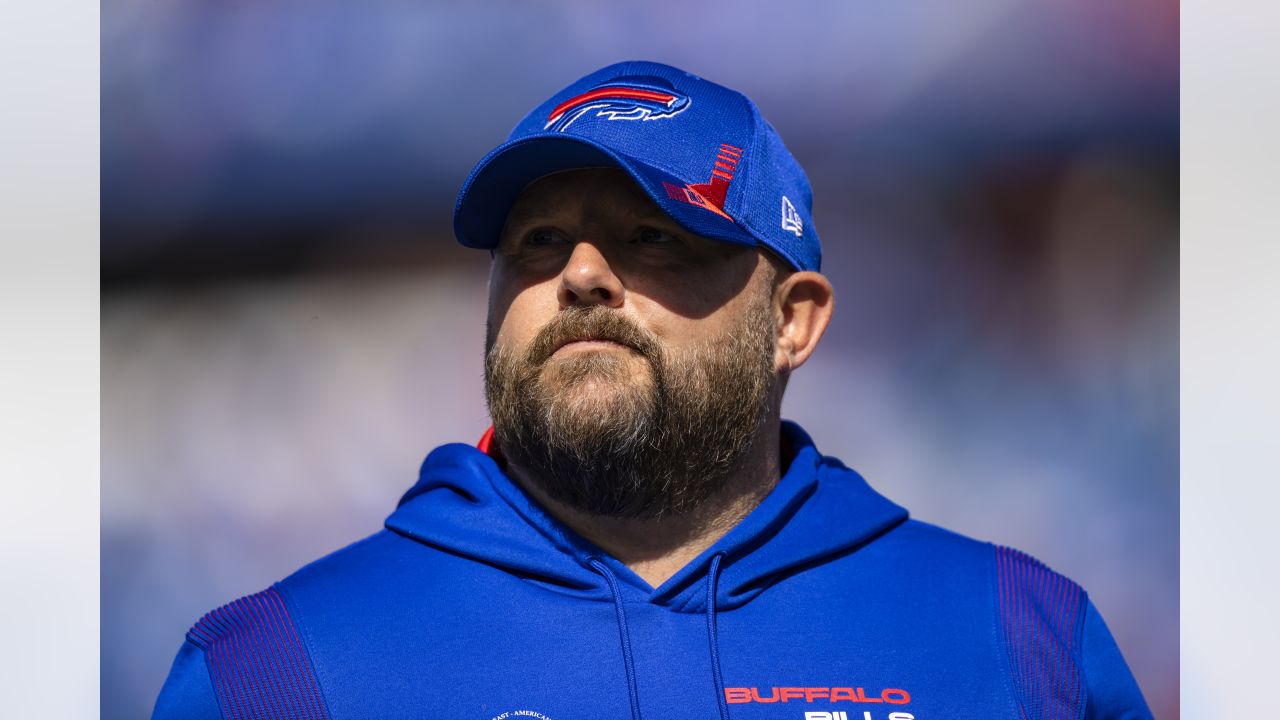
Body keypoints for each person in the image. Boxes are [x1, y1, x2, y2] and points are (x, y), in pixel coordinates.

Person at [152, 61, 1152, 720]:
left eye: (652, 238)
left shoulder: (1017, 643)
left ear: (791, 321)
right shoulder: (271, 671)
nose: (579, 276)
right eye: (536, 243)